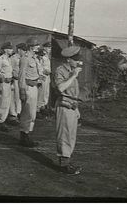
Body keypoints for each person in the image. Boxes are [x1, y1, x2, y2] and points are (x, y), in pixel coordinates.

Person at [54, 45, 82, 174]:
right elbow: (60, 88)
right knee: (64, 135)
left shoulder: (72, 70)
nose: (78, 62)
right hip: (64, 106)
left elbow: (74, 93)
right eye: (75, 59)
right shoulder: (61, 70)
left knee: (71, 136)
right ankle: (63, 164)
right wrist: (73, 76)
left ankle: (67, 161)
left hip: (72, 106)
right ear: (68, 59)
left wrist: (77, 111)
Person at [18, 37, 42, 147]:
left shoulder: (34, 58)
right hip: (28, 87)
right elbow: (22, 76)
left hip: (34, 87)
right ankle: (24, 136)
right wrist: (22, 90)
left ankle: (28, 134)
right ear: (31, 46)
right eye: (36, 45)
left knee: (32, 113)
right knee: (27, 113)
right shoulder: (25, 58)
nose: (38, 47)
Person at [0, 41, 14, 131]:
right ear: (5, 49)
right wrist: (2, 78)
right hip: (3, 83)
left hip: (9, 83)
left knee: (7, 102)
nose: (12, 50)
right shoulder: (1, 59)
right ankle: (0, 121)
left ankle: (4, 119)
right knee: (2, 102)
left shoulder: (8, 59)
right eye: (10, 48)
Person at [8, 43, 27, 125]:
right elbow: (10, 69)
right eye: (23, 50)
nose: (24, 51)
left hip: (21, 79)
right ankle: (13, 115)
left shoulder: (24, 58)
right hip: (15, 80)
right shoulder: (14, 58)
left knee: (20, 98)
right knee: (14, 98)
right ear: (19, 49)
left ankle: (19, 113)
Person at [37, 42, 51, 113]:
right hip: (43, 76)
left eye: (50, 47)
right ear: (44, 47)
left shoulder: (47, 56)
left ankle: (43, 107)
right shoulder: (42, 55)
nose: (50, 49)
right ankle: (39, 108)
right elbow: (39, 66)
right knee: (41, 93)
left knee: (46, 93)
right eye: (48, 47)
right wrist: (43, 71)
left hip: (47, 77)